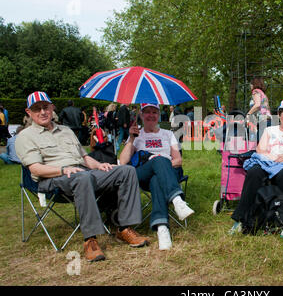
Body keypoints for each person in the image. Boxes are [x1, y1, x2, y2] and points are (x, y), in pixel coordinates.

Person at [15, 91, 150, 262]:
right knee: (82, 177)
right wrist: (64, 170)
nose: (42, 112)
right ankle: (90, 240)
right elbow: (35, 169)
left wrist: (99, 165)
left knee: (126, 171)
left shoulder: (66, 131)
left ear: (52, 108)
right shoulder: (26, 136)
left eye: (45, 107)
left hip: (81, 172)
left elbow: (84, 158)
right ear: (29, 112)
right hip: (52, 179)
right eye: (36, 109)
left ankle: (124, 228)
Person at [229, 99, 283, 240]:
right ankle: (241, 219)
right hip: (269, 162)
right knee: (254, 172)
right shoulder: (270, 130)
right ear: (279, 114)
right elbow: (260, 149)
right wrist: (271, 156)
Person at [119, 103, 195, 251]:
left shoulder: (167, 134)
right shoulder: (137, 134)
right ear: (141, 115)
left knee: (157, 176)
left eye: (154, 112)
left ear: (159, 115)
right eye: (147, 112)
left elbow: (178, 161)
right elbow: (123, 162)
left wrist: (162, 167)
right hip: (142, 174)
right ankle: (177, 200)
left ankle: (162, 228)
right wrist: (131, 139)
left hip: (166, 174)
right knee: (159, 160)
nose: (151, 115)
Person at [247, 77, 272, 142]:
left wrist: (248, 114)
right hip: (268, 120)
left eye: (251, 84)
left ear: (254, 84)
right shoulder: (263, 94)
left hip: (263, 121)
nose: (250, 86)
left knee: (260, 144)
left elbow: (257, 105)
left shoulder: (255, 91)